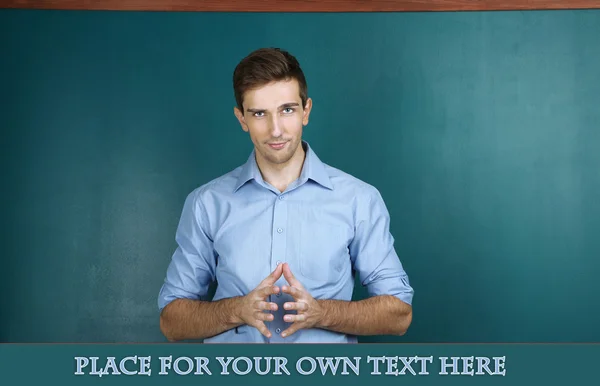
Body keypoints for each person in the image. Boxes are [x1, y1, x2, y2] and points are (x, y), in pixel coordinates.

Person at [158, 47, 414, 343]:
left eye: (287, 110)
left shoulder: (359, 200)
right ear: (242, 119)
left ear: (306, 111)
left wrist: (322, 314)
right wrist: (238, 310)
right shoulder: (206, 204)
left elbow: (399, 313)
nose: (275, 129)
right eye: (259, 114)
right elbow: (171, 321)